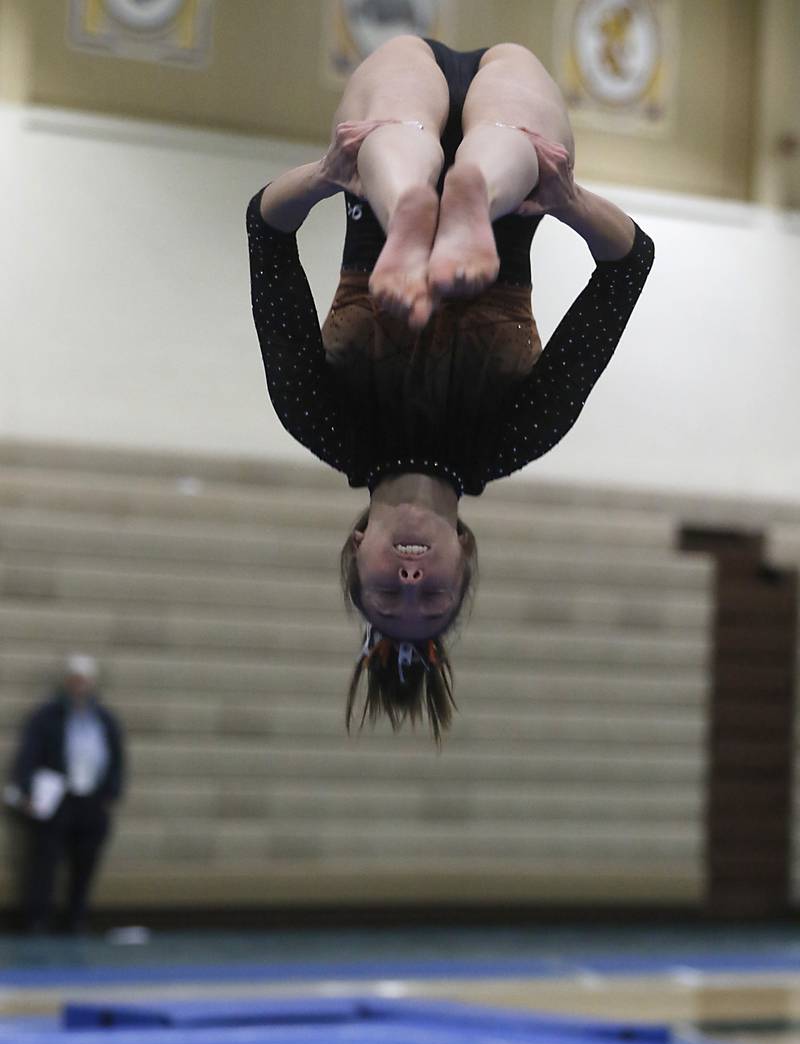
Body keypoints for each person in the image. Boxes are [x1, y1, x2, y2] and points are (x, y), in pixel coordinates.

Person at [247, 36, 655, 741]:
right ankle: (470, 197)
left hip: (382, 161)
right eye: (433, 597)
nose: (411, 583)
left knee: (396, 136)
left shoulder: (318, 417)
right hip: (513, 176)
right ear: (465, 554)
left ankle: (414, 203)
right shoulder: (517, 434)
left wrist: (322, 175)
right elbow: (627, 265)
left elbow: (266, 232)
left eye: (384, 592)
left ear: (356, 547)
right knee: (504, 144)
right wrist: (570, 201)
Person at [5, 654, 126, 933]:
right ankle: (37, 919)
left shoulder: (104, 719)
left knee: (85, 864)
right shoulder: (48, 717)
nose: (79, 686)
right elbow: (29, 755)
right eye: (75, 680)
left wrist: (111, 791)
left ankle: (76, 918)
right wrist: (25, 789)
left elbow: (116, 758)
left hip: (91, 800)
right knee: (44, 862)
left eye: (84, 681)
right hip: (58, 797)